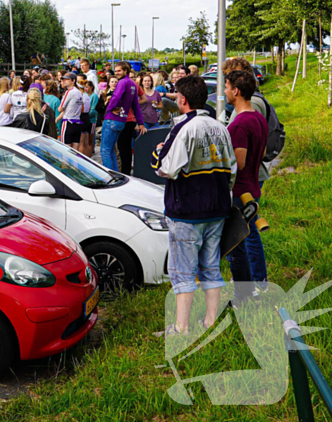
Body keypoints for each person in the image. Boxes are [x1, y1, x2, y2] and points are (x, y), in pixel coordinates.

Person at [153, 76, 236, 336]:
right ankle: (211, 322)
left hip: (187, 211)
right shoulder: (220, 127)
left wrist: (159, 152)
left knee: (183, 271)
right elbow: (231, 168)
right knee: (211, 267)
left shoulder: (183, 128)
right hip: (218, 208)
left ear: (183, 100)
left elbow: (167, 168)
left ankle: (182, 328)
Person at [221, 57, 272, 286]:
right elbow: (261, 153)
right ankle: (255, 282)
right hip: (252, 188)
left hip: (239, 192)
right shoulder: (258, 118)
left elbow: (238, 163)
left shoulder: (240, 123)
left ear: (236, 91)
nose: (224, 91)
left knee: (237, 244)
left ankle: (247, 287)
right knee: (248, 236)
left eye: (226, 87)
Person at [101, 62, 146, 173]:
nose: (116, 73)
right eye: (115, 71)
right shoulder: (133, 84)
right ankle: (115, 175)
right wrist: (140, 122)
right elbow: (136, 105)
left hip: (112, 119)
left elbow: (116, 97)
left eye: (119, 71)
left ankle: (109, 176)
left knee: (105, 150)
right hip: (122, 120)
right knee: (112, 150)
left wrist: (109, 109)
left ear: (125, 71)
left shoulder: (122, 82)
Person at [57, 73, 85, 150]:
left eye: (67, 79)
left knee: (65, 149)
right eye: (63, 79)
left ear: (73, 81)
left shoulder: (69, 92)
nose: (64, 81)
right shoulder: (79, 92)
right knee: (75, 150)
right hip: (77, 122)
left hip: (68, 122)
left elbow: (60, 109)